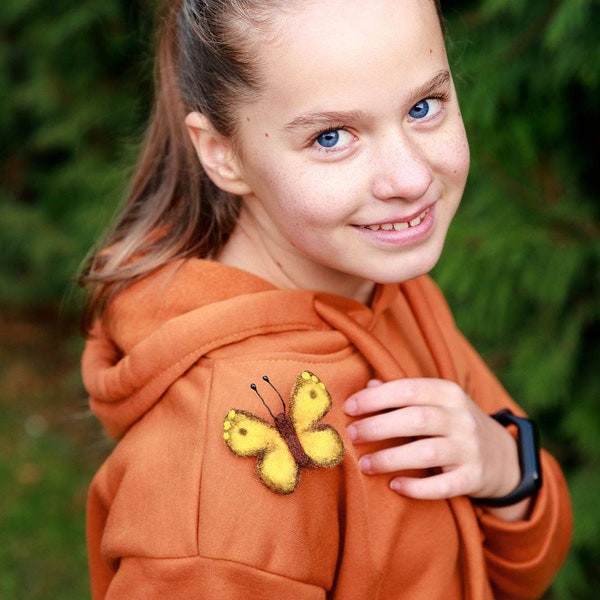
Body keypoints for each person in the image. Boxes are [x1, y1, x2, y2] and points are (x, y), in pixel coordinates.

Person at [79, 0, 572, 598]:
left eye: (424, 106)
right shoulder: (213, 484)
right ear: (222, 154)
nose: (410, 178)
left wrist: (507, 470)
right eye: (332, 137)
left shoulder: (391, 290)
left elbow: (519, 567)